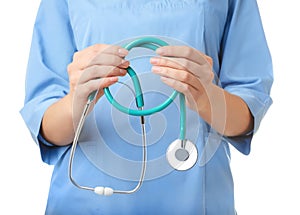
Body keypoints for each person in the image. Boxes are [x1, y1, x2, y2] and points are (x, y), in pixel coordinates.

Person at [20, 0, 273, 214]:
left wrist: (207, 98)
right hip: (86, 199)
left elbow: (248, 111)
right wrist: (77, 100)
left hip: (195, 198)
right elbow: (46, 125)